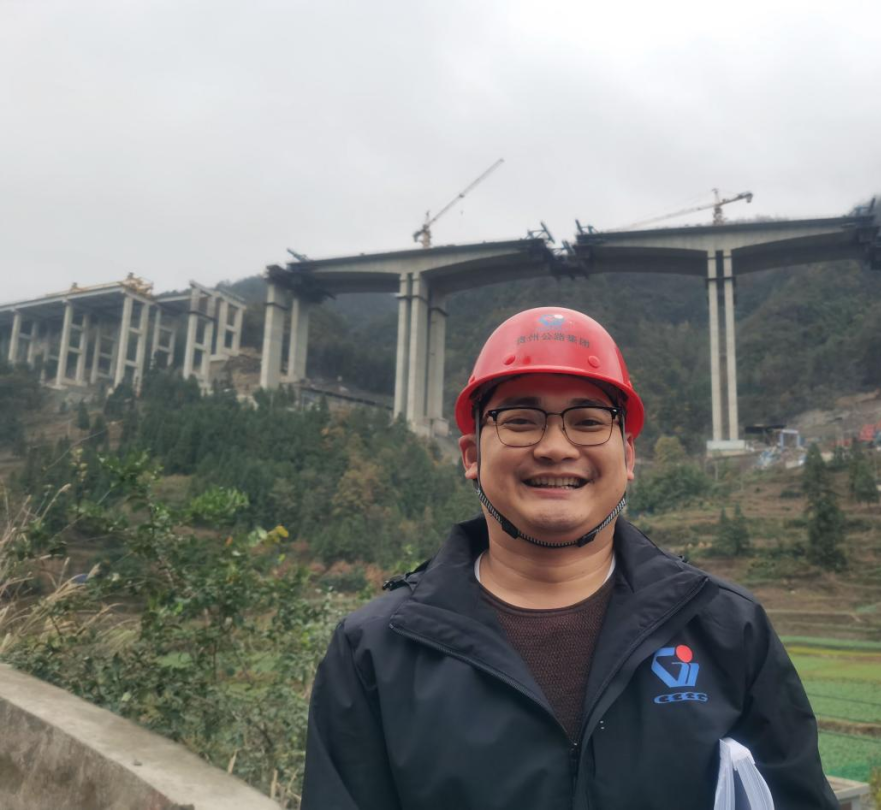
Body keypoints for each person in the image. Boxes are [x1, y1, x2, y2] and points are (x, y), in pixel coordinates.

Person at [301, 307, 838, 809]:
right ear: (471, 455)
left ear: (628, 456)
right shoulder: (377, 650)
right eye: (519, 420)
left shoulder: (727, 630)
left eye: (588, 421)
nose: (556, 447)